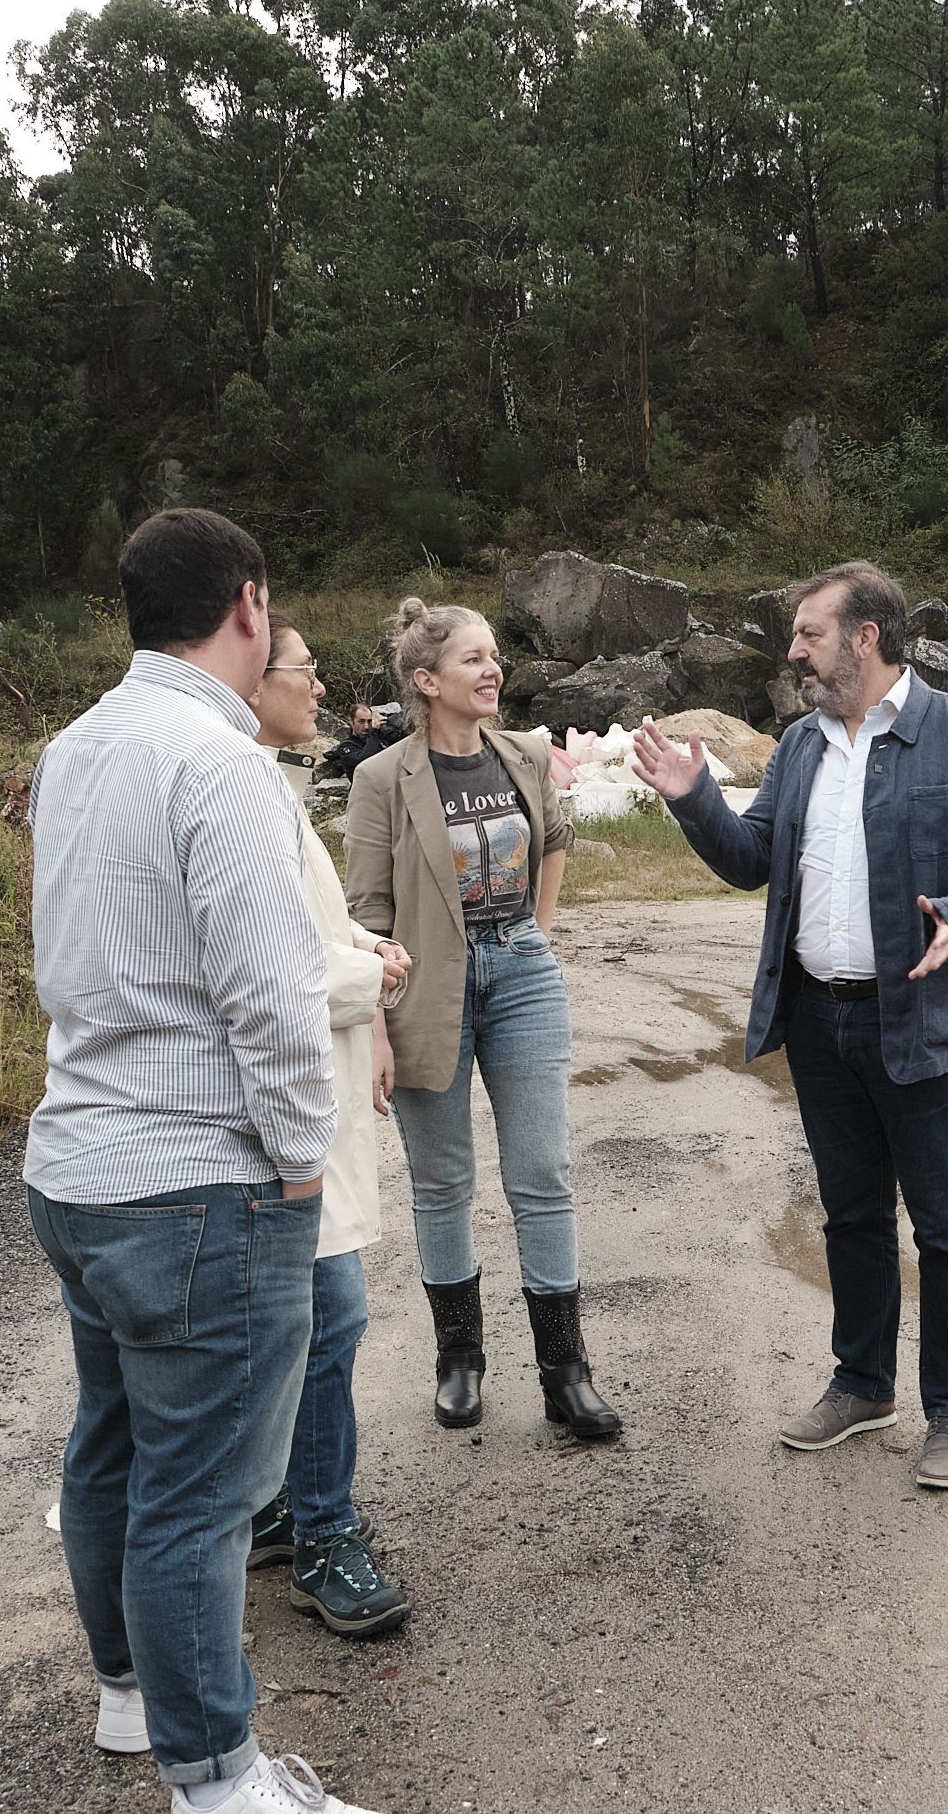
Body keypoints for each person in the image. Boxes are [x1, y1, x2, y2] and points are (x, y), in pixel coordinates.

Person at [25, 506, 382, 1814]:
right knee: (200, 1491)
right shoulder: (220, 763)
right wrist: (301, 1158)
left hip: (75, 1165)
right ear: (246, 604)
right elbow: (271, 993)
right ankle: (219, 1782)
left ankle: (132, 1697)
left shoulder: (74, 749)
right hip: (195, 1184)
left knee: (112, 1444)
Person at [631, 561, 948, 1491]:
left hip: (925, 1021)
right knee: (851, 1215)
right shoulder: (800, 747)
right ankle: (862, 1385)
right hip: (820, 1019)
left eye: (808, 633)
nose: (793, 649)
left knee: (947, 1224)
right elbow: (751, 861)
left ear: (865, 637)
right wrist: (693, 799)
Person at [343, 598, 620, 1441]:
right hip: (425, 985)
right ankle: (458, 1361)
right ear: (426, 682)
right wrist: (378, 1024)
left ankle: (564, 1374)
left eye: (494, 656)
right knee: (442, 1181)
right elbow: (366, 911)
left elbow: (557, 837)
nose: (492, 670)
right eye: (472, 660)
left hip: (521, 973)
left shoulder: (525, 754)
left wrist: (539, 927)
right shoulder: (382, 778)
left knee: (542, 1172)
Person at [239, 618, 414, 1638]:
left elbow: (318, 922)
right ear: (251, 677)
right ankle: (322, 1532)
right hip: (278, 1111)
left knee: (314, 1316)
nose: (318, 690)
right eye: (301, 672)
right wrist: (375, 975)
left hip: (314, 1090)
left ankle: (282, 1504)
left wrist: (363, 955)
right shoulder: (241, 789)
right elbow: (282, 969)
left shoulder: (276, 785)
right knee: (327, 1315)